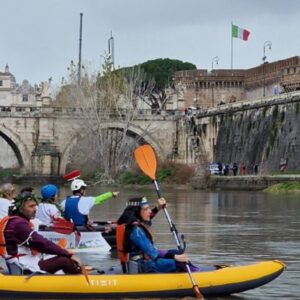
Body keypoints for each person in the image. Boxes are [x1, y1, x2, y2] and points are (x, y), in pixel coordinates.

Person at [1, 192, 82, 274]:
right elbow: (41, 243)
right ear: (21, 208)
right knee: (64, 261)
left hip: (22, 261)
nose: (35, 209)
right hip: (23, 264)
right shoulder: (18, 224)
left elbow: (40, 244)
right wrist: (68, 254)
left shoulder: (15, 220)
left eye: (35, 205)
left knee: (59, 255)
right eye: (31, 206)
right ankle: (80, 282)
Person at [117, 196, 195, 274]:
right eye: (146, 209)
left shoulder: (135, 223)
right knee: (177, 261)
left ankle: (190, 269)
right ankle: (192, 273)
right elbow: (153, 253)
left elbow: (148, 218)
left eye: (149, 208)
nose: (149, 211)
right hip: (143, 265)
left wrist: (158, 208)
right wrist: (175, 257)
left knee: (176, 252)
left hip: (144, 261)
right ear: (137, 212)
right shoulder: (136, 231)